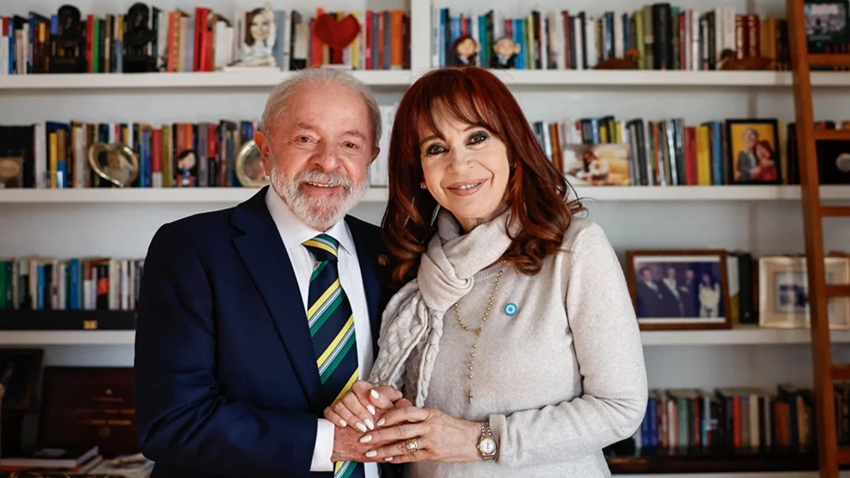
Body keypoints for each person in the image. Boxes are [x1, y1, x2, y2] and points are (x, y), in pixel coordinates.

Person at [325, 67, 647, 476]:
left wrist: (480, 439)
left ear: (512, 148)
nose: (459, 164)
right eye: (436, 148)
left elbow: (619, 407)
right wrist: (370, 408)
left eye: (477, 138)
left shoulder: (575, 249)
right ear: (420, 173)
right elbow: (411, 417)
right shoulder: (412, 266)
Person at [134, 69, 405, 478]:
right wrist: (331, 443)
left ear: (370, 158)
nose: (328, 161)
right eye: (305, 139)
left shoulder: (392, 253)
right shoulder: (191, 249)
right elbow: (172, 422)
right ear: (264, 150)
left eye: (350, 144)